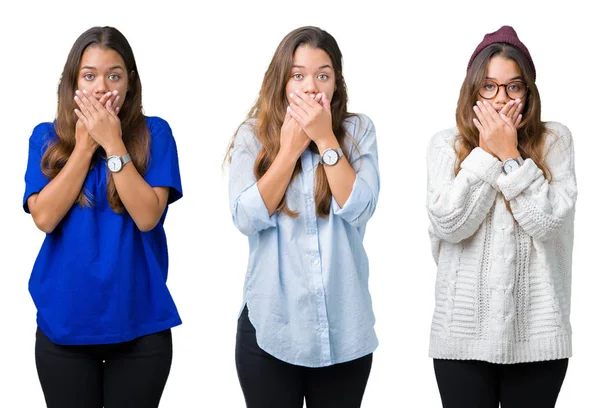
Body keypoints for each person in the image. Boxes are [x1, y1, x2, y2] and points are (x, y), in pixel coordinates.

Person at [23, 26, 182, 408]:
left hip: (139, 323)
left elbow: (147, 217)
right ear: (73, 83)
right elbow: (43, 217)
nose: (101, 86)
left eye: (114, 75)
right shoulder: (45, 137)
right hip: (64, 326)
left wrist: (112, 143)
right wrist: (84, 147)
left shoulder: (154, 133)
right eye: (89, 75)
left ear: (130, 83)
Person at [226, 26, 379, 408]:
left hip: (345, 330)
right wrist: (289, 150)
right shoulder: (252, 136)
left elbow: (361, 207)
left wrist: (326, 140)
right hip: (271, 328)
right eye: (298, 75)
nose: (311, 87)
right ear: (281, 81)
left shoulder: (357, 131)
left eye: (322, 75)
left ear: (336, 84)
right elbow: (245, 218)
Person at [426, 25, 576, 408]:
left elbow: (549, 223)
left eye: (514, 86)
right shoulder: (447, 145)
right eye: (488, 87)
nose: (500, 99)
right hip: (461, 341)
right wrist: (486, 154)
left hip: (537, 342)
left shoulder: (555, 141)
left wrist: (511, 155)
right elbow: (449, 224)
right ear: (473, 91)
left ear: (528, 92)